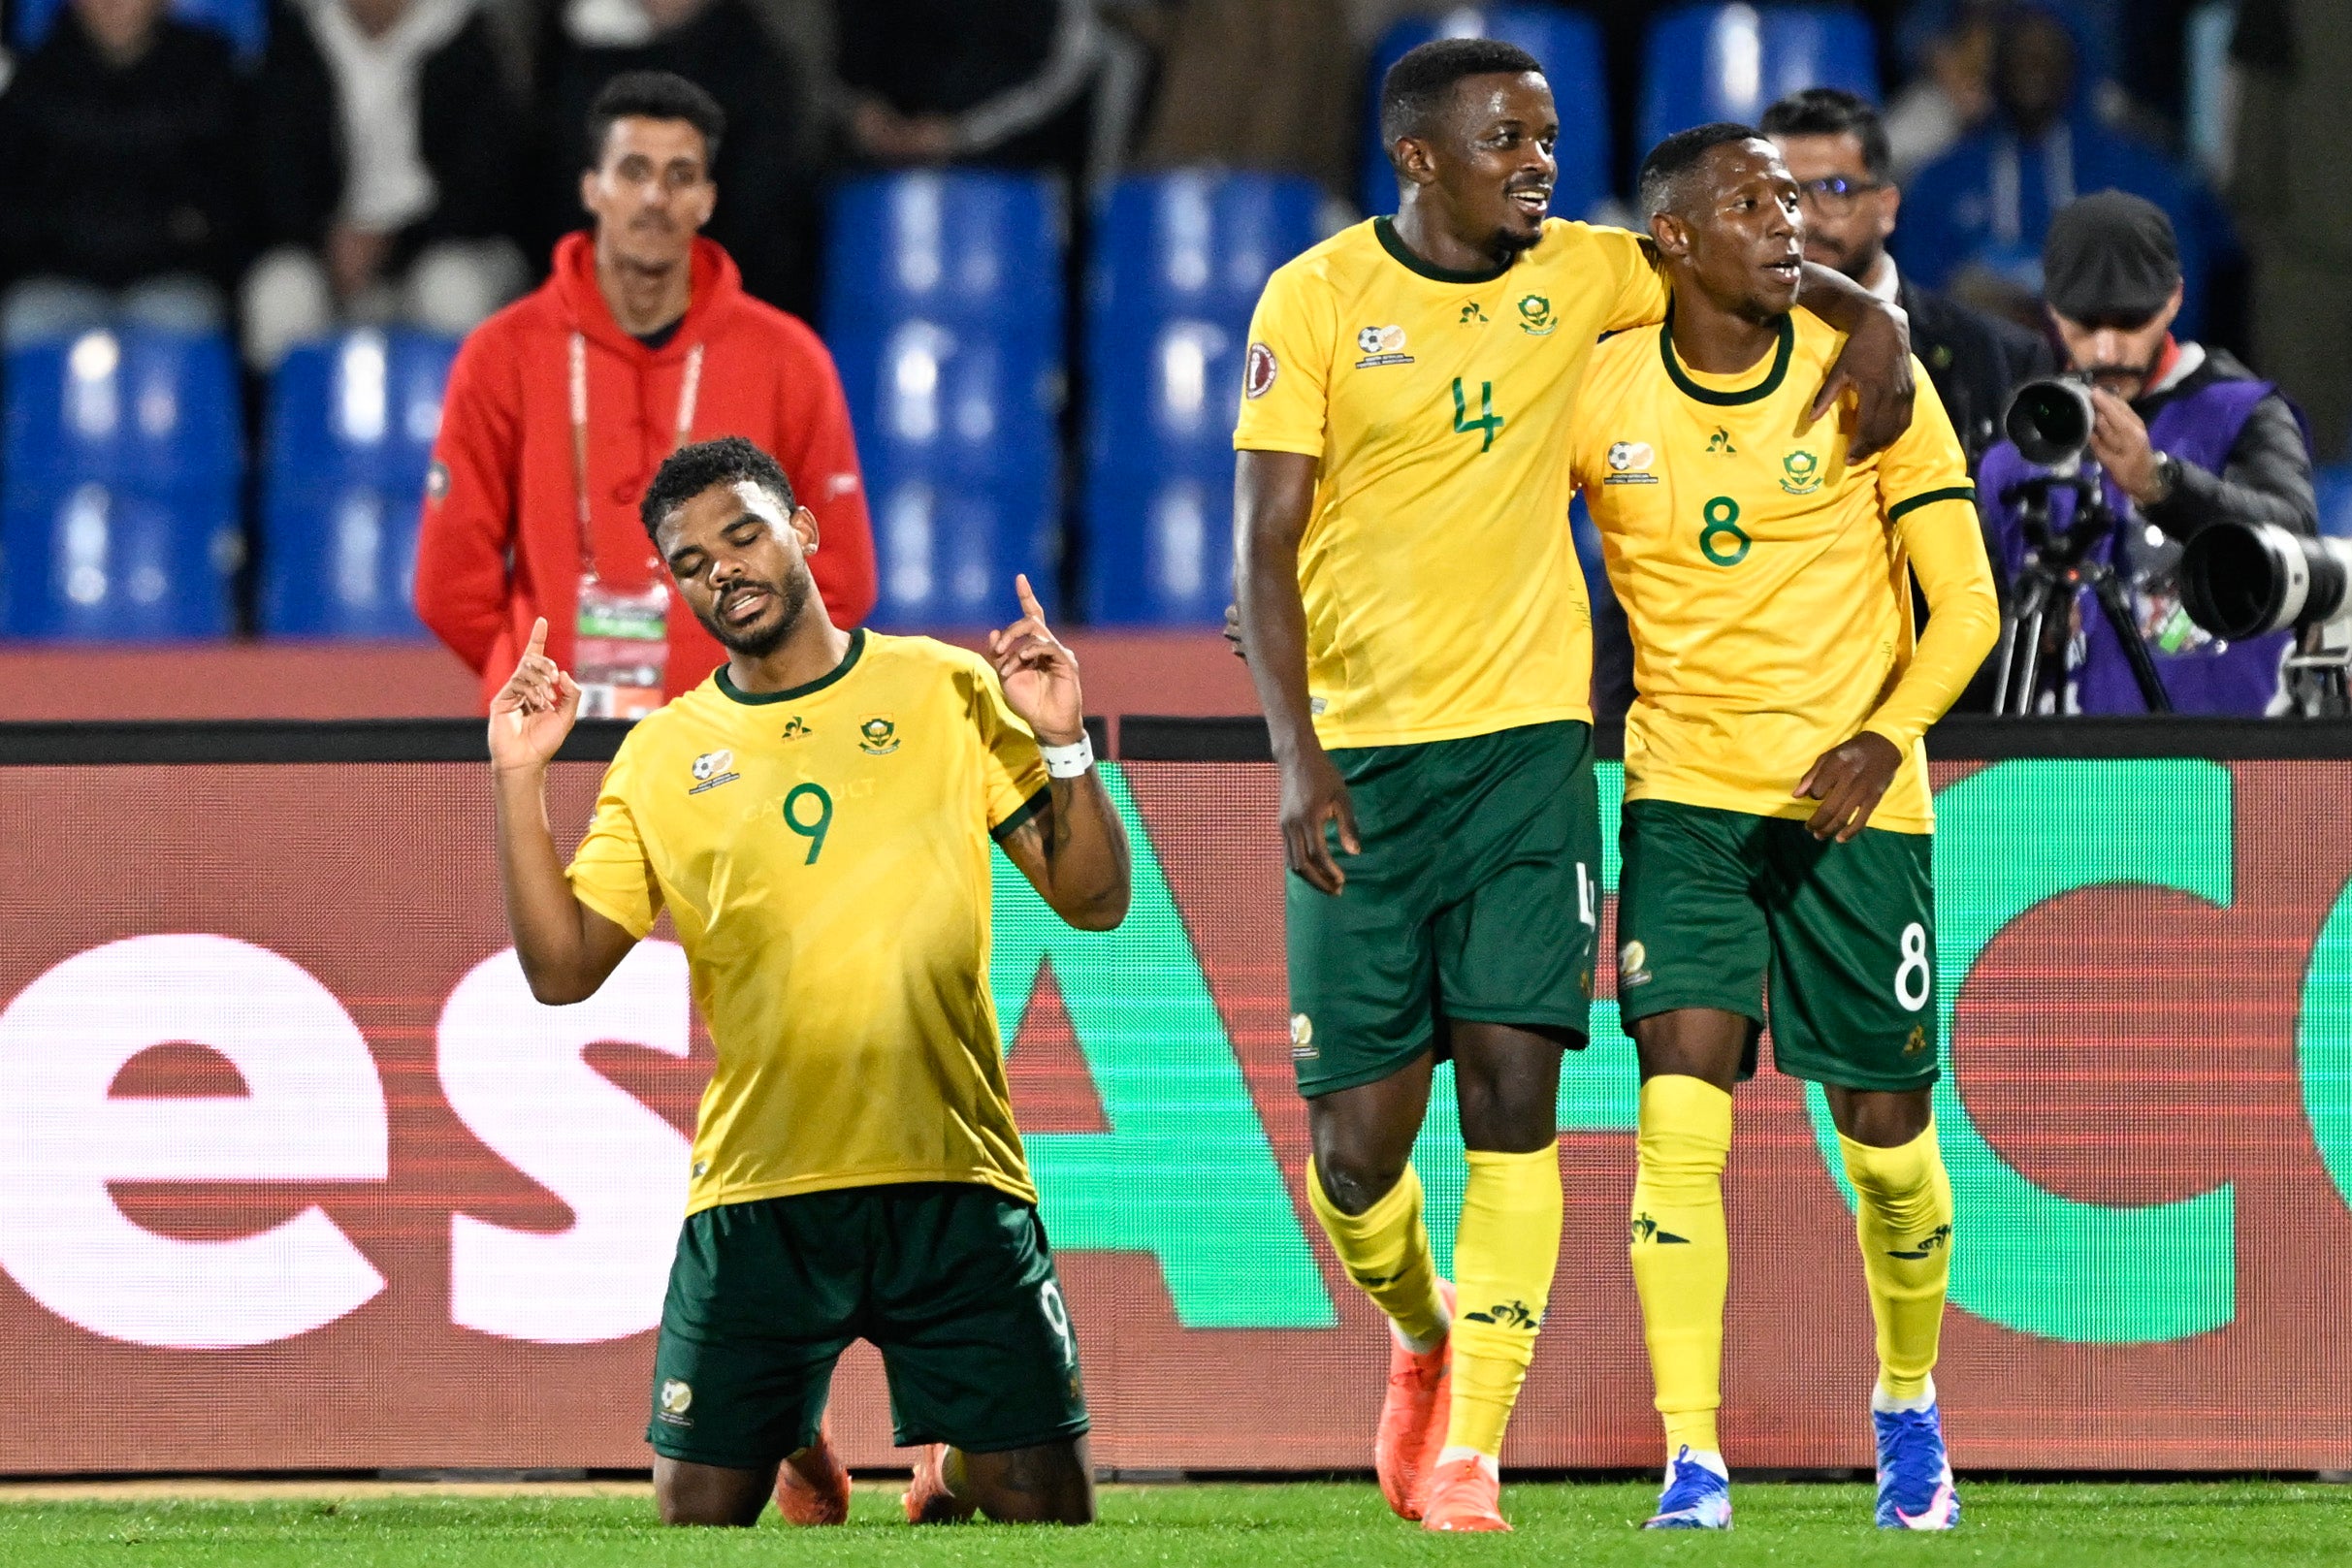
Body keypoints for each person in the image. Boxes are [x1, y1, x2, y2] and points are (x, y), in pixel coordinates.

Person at [1230, 37, 1918, 1534]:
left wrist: (1875, 319)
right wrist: (1296, 755)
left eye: (1546, 137)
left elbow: (1756, 259)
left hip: (1533, 752)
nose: (1539, 161)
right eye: (1507, 140)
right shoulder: (1316, 299)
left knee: (1514, 1107)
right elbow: (1264, 544)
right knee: (1356, 1156)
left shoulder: (1591, 269)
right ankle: (1420, 1332)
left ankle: (1472, 1447)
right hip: (1359, 755)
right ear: (1420, 158)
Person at [487, 434, 1128, 1527]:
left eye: (743, 535)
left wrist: (1064, 743)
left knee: (1049, 1515)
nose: (723, 569)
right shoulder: (660, 754)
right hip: (760, 1194)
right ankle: (791, 1426)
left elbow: (1095, 899)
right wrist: (517, 778)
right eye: (692, 563)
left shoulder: (944, 686)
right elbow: (561, 975)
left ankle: (955, 1461)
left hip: (953, 1173)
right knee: (697, 1522)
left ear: (804, 531)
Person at [1567, 123, 1999, 1533]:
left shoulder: (1871, 379)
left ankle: (1907, 1402)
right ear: (1673, 242)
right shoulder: (1602, 384)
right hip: (1684, 797)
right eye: (1752, 203)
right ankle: (1691, 1460)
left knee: (1884, 1143)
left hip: (1857, 804)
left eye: (1797, 197)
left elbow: (1970, 606)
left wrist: (1885, 734)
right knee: (1677, 1122)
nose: (1790, 220)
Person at [416, 71, 877, 717]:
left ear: (707, 199)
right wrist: (528, 679)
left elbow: (839, 574)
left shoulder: (788, 360)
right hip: (554, 738)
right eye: (633, 171)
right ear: (591, 189)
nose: (655, 197)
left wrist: (760, 697)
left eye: (680, 175)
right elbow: (449, 582)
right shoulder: (502, 354)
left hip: (736, 742)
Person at [1979, 190, 2317, 715]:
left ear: (2174, 300)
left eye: (2130, 322)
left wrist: (2160, 485)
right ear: (2051, 311)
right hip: (2051, 778)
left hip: (2220, 768)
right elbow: (1952, 625)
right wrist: (2021, 638)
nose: (2108, 350)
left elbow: (2295, 543)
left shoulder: (2242, 411)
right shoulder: (2020, 445)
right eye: (2086, 325)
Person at [1897, 0, 2232, 337]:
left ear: (2076, 63)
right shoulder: (1942, 181)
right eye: (2020, 54)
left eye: (2047, 54)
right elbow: (1916, 304)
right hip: (1979, 375)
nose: (2032, 69)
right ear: (1998, 67)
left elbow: (2177, 303)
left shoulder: (2139, 174)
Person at [1762, 86, 2054, 464]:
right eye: (1782, 193)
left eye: (1833, 190)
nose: (1803, 219)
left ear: (1887, 208)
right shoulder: (1712, 350)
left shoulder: (2003, 361)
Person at [242, 0, 530, 371]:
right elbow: (273, 173)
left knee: (453, 291)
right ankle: (289, 428)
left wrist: (391, 244)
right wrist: (326, 240)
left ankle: (467, 426)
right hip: (326, 250)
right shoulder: (297, 40)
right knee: (279, 296)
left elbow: (487, 186)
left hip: (446, 245)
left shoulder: (468, 39)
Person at [533, 0, 816, 316]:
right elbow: (556, 188)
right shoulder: (582, 50)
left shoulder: (754, 64)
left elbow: (759, 212)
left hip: (724, 299)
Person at [0, 0, 241, 343]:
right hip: (59, 281)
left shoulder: (208, 68)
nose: (113, 4)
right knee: (24, 320)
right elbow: (16, 206)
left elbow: (229, 198)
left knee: (188, 321)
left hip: (173, 280)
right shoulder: (37, 76)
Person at [2231, 0, 2352, 462]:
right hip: (2303, 253)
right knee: (2300, 448)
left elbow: (2251, 121)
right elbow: (2253, 116)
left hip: (2302, 247)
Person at [836, 0, 1105, 174]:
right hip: (873, 171)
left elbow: (1067, 69)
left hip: (1010, 181)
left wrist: (960, 134)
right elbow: (829, 49)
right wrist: (857, 110)